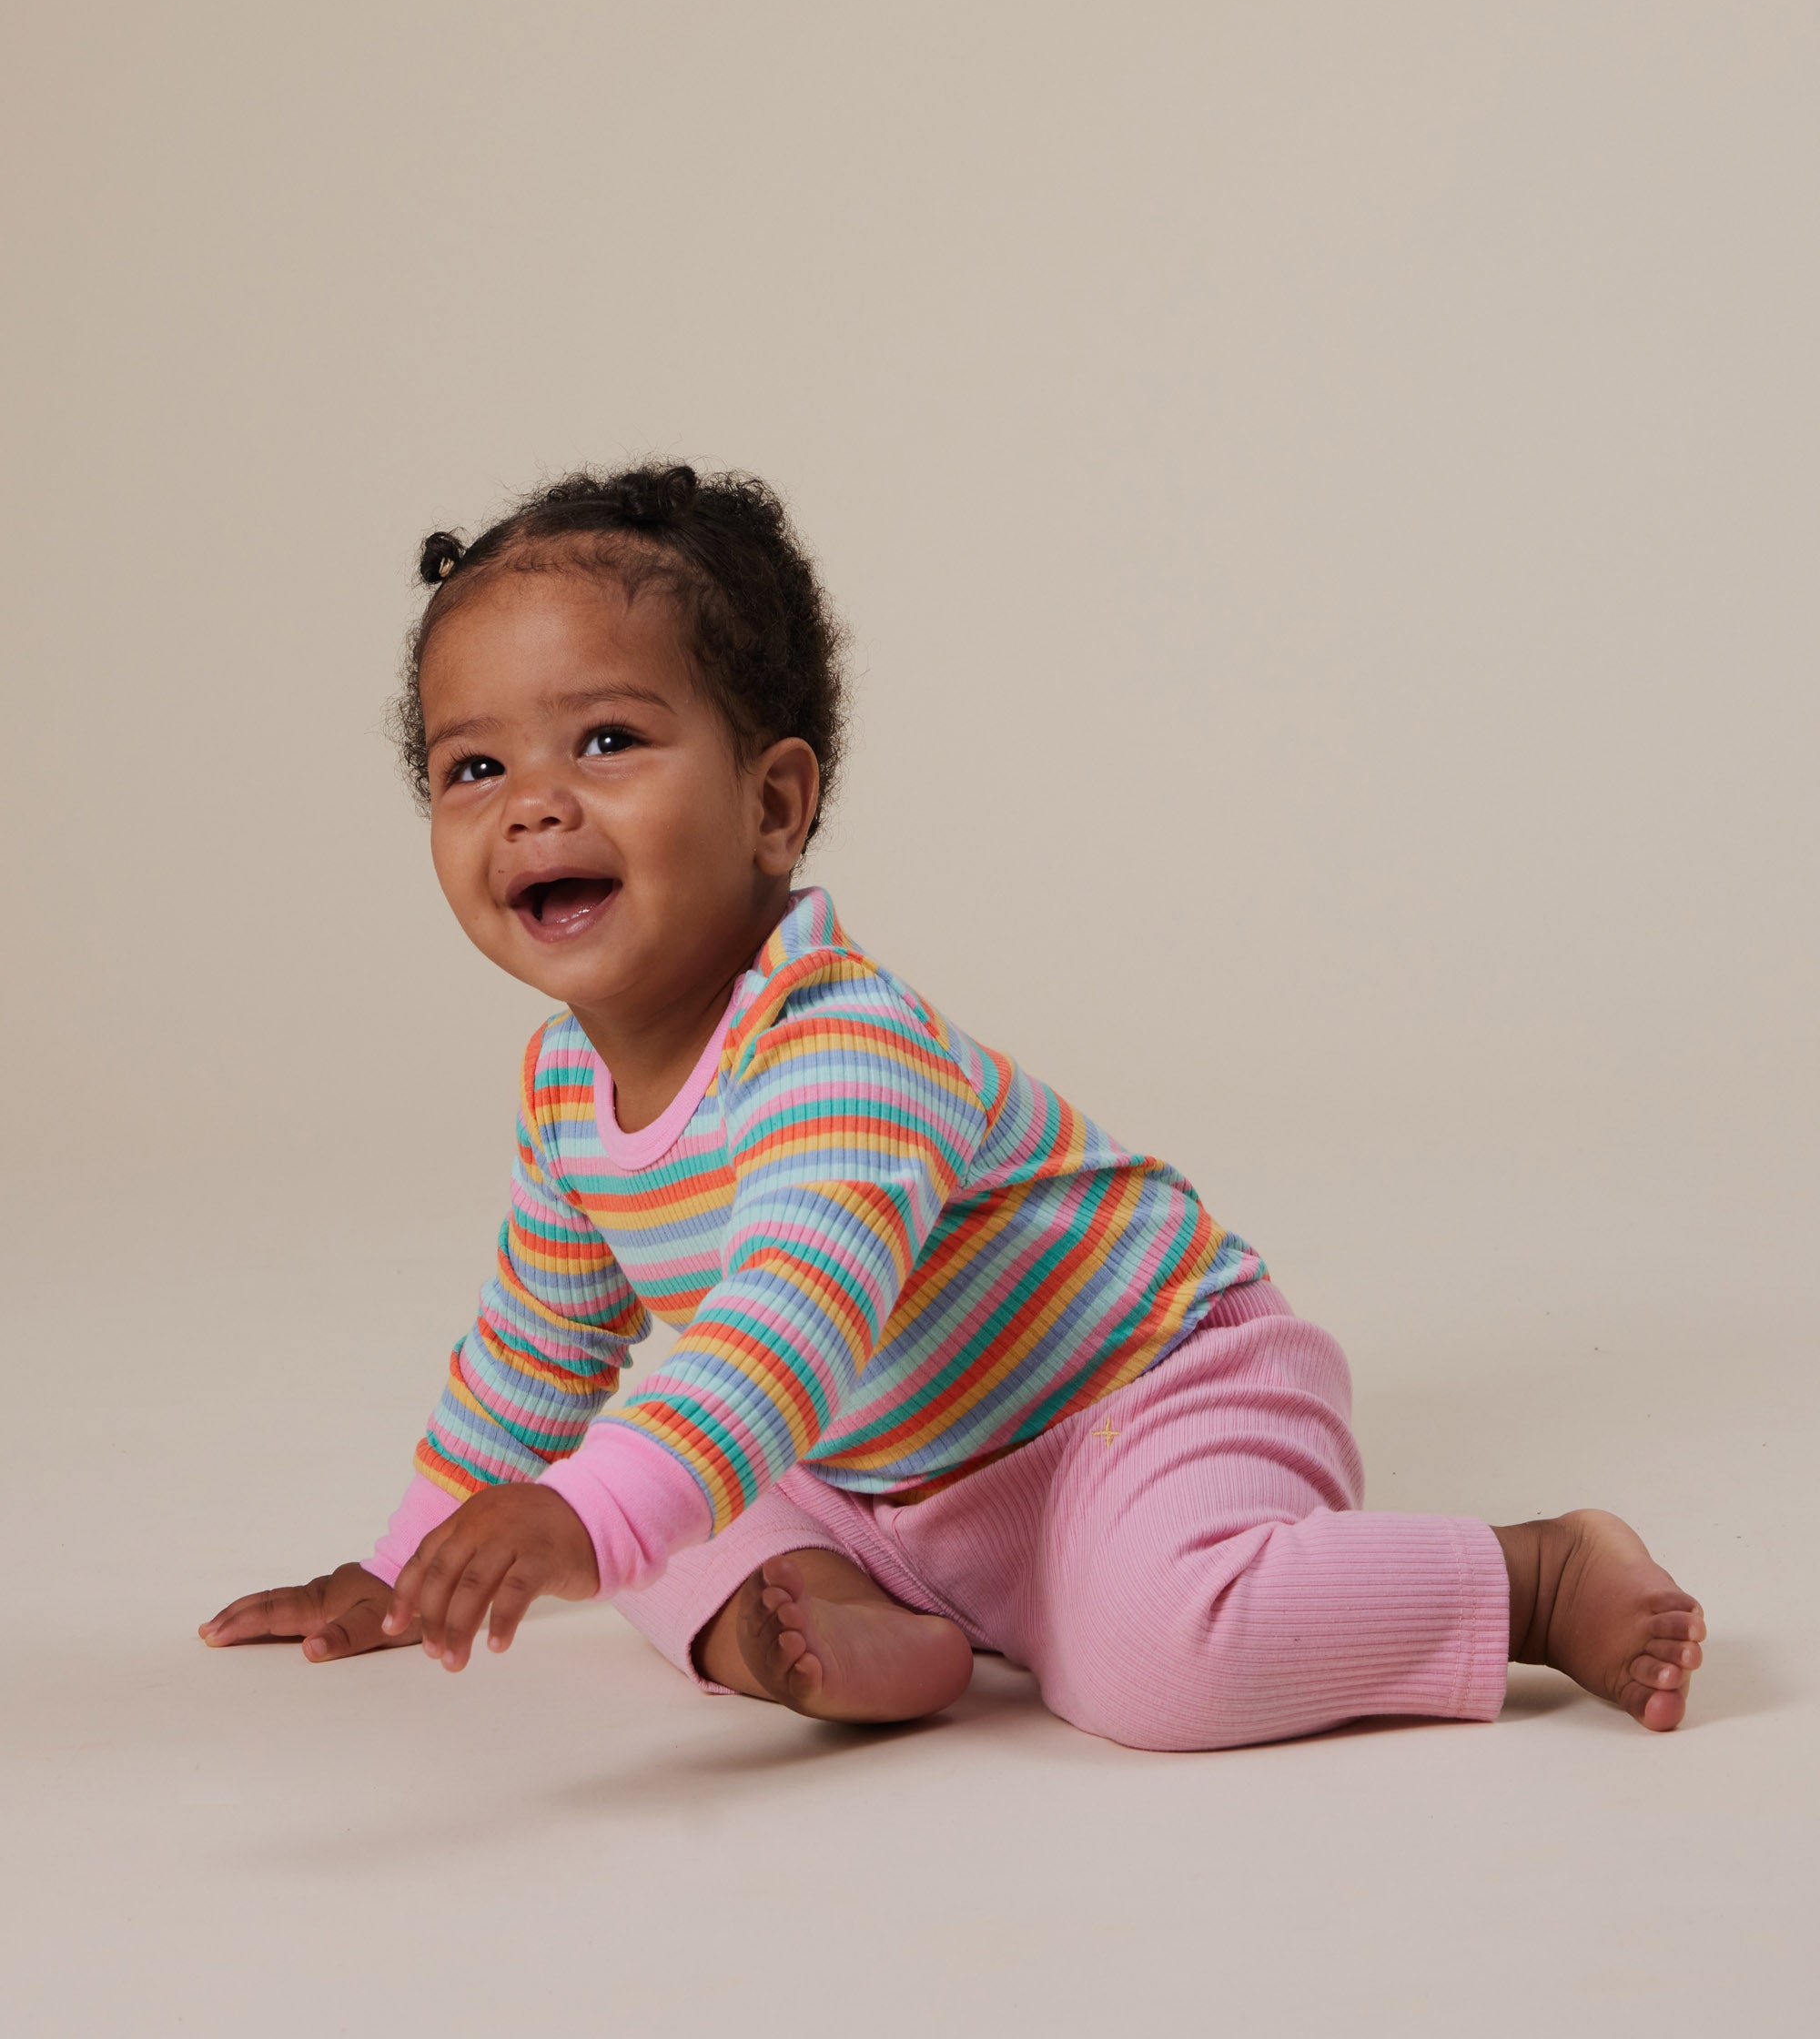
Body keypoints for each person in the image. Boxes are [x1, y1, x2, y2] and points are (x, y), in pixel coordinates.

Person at [198, 462, 1705, 1748]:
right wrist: (412, 1560)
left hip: (1133, 1398)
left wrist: (587, 1514)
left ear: (773, 806)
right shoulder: (567, 1089)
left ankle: (1529, 1575)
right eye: (475, 766)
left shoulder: (840, 1048)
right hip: (878, 1465)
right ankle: (843, 1631)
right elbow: (543, 1342)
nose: (535, 799)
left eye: (606, 741)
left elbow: (784, 1321)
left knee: (1150, 1663)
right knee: (621, 1514)